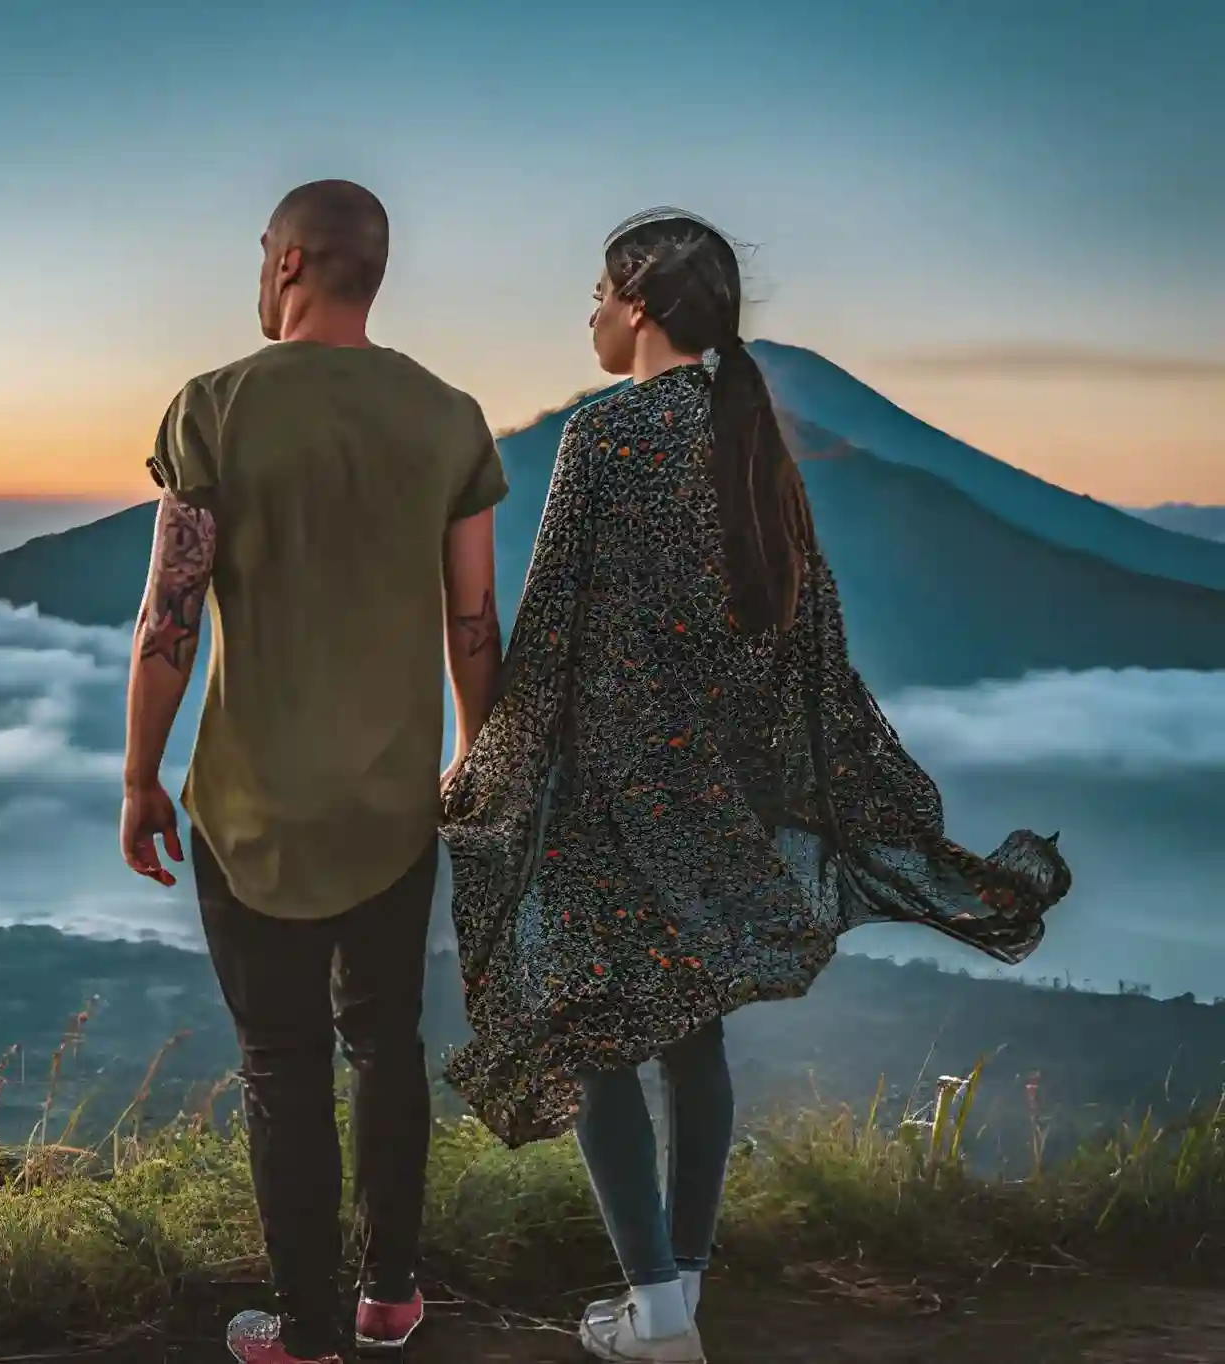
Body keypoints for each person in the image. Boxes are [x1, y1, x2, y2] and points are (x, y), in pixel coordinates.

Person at [439, 207, 1074, 1364]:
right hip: (715, 805)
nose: (584, 312)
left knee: (593, 1036)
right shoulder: (751, 442)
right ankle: (675, 1296)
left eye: (593, 289)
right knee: (691, 1040)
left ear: (635, 298)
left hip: (605, 804)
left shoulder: (604, 439)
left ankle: (656, 1310)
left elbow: (550, 631)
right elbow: (801, 643)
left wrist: (484, 763)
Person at [119, 179, 507, 1364]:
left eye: (259, 254)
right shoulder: (447, 416)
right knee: (385, 1041)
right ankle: (390, 1292)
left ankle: (307, 1329)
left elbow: (167, 617)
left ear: (288, 263)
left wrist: (140, 775)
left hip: (254, 809)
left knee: (281, 1064)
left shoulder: (213, 407)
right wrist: (471, 758)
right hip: (394, 807)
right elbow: (473, 620)